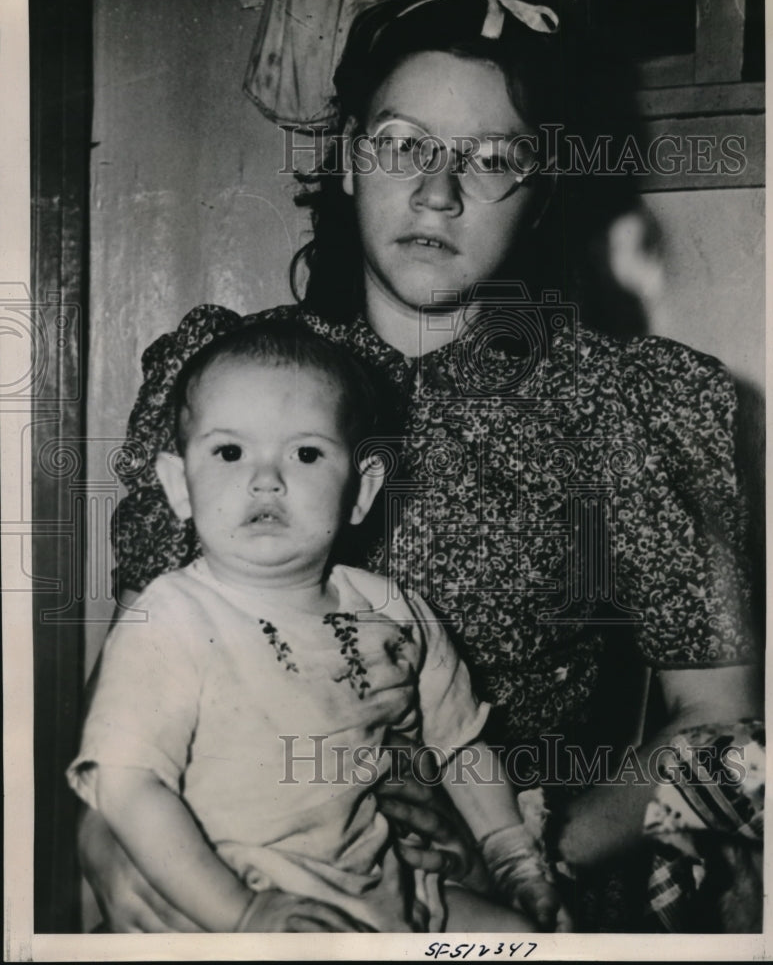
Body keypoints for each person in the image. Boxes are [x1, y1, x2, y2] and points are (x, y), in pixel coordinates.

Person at [79, 0, 764, 933]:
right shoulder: (225, 383)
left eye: (494, 159)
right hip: (246, 885)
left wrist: (516, 851)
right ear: (352, 158)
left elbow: (719, 730)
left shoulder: (632, 402)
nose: (438, 191)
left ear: (543, 189)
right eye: (404, 143)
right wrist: (101, 840)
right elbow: (132, 673)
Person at [69, 320, 570, 934]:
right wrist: (244, 914)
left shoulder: (394, 610)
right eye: (229, 452)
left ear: (360, 492)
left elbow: (461, 746)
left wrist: (515, 861)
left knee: (518, 940)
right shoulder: (170, 617)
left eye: (306, 453)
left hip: (387, 897)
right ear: (179, 487)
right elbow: (127, 783)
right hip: (221, 897)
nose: (266, 478)